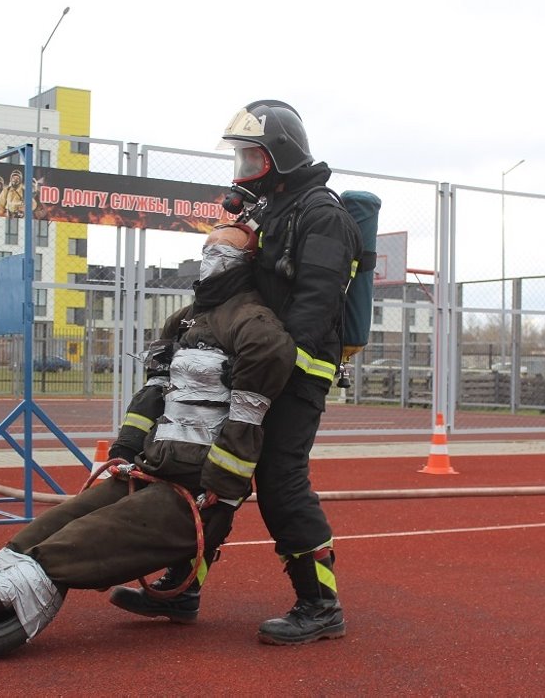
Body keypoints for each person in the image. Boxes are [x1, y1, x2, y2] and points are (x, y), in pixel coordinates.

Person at [0, 223, 297, 662]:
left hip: (198, 495)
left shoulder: (257, 329)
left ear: (250, 261)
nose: (211, 257)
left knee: (74, 546)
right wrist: (125, 451)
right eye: (207, 247)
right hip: (150, 472)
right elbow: (153, 395)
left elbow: (247, 420)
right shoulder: (182, 321)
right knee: (49, 526)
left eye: (225, 250)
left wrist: (218, 486)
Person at [110, 100, 363, 645]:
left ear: (282, 156)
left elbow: (315, 306)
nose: (244, 168)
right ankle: (184, 588)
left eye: (254, 157)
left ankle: (321, 604)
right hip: (253, 368)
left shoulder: (323, 215)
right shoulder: (272, 210)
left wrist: (271, 367)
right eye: (242, 157)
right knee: (215, 475)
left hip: (297, 372)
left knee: (279, 481)